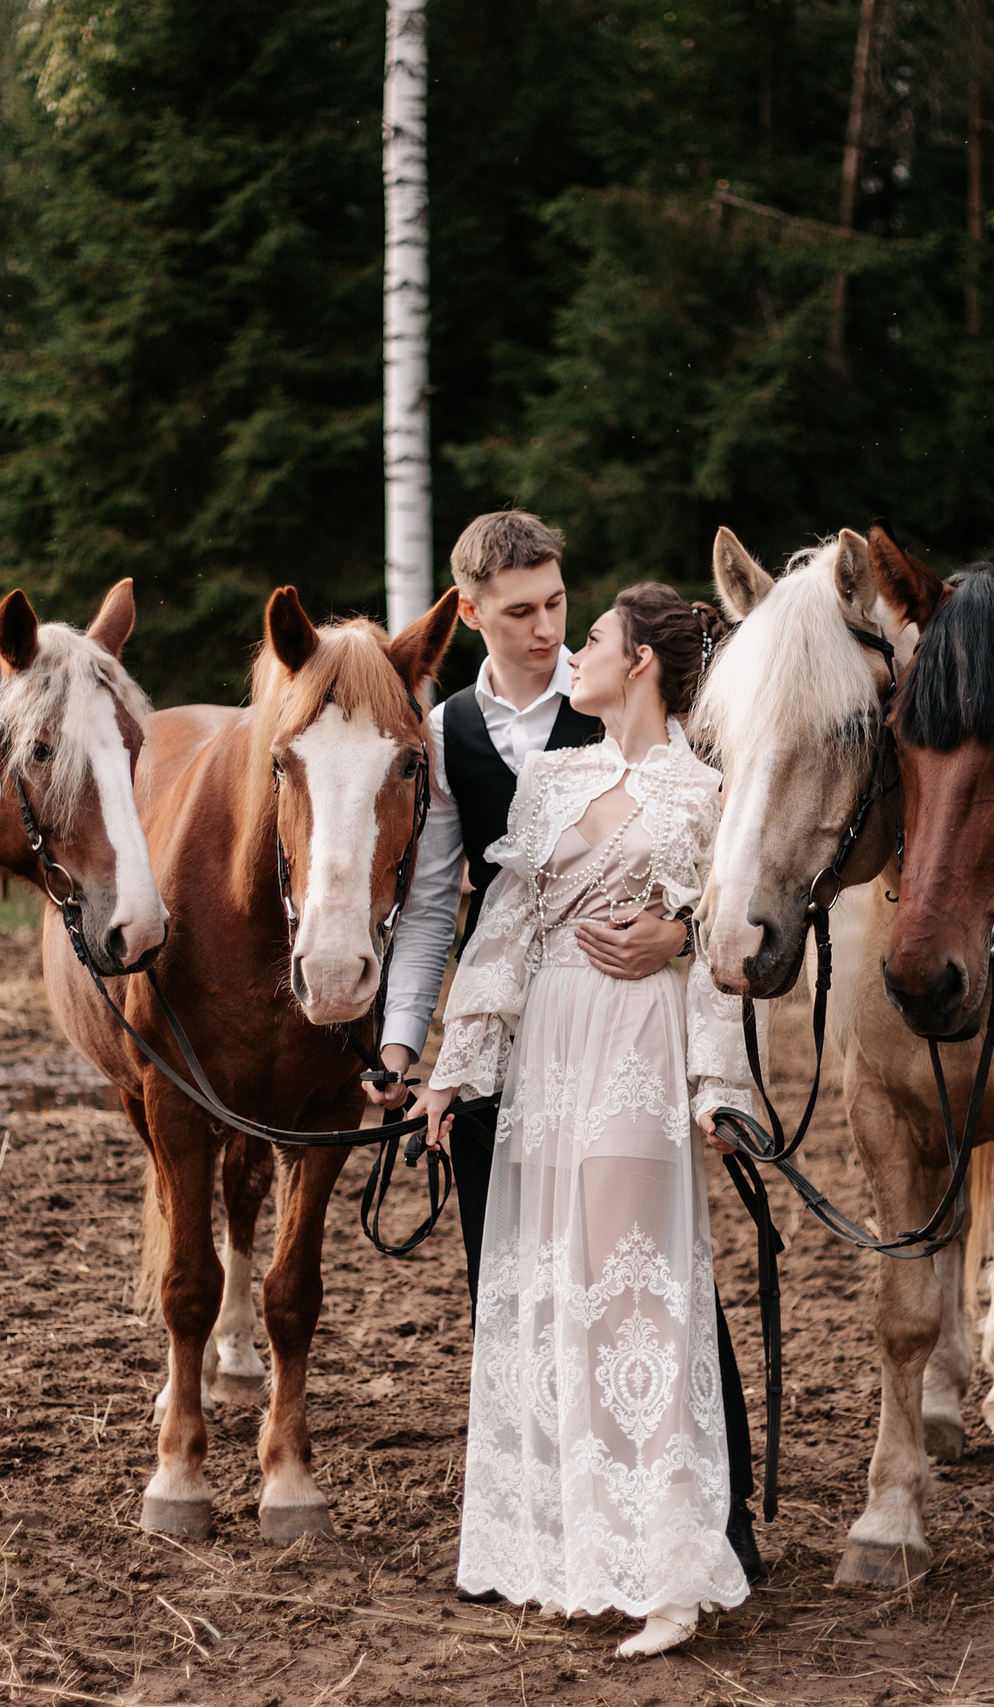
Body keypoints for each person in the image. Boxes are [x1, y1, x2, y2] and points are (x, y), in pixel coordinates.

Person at [364, 514, 763, 1586]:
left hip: (633, 1039)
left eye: (561, 608)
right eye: (523, 612)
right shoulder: (452, 732)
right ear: (473, 614)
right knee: (527, 1283)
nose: (549, 630)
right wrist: (418, 1055)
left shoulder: (677, 749)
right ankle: (557, 1527)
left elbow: (732, 891)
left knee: (647, 1277)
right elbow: (452, 910)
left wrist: (680, 939)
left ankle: (710, 1524)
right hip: (529, 1044)